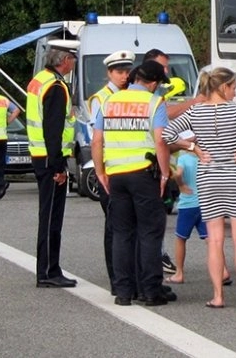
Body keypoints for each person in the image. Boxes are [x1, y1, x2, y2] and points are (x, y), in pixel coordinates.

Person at [163, 67, 236, 309]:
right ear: (223, 87)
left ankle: (217, 296)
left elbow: (166, 133)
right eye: (234, 87)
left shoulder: (195, 112)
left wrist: (194, 148)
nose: (235, 93)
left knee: (214, 240)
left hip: (208, 178)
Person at [92, 60, 172, 306]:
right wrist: (166, 173)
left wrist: (101, 172)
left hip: (116, 175)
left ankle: (123, 292)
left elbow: (96, 141)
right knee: (149, 232)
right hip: (143, 173)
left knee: (122, 233)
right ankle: (150, 291)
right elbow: (160, 141)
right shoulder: (154, 102)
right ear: (154, 83)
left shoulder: (109, 101)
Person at [27, 40, 79, 289]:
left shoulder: (40, 79)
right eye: (73, 58)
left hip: (40, 155)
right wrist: (59, 166)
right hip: (50, 159)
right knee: (50, 218)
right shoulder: (56, 87)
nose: (74, 63)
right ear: (64, 60)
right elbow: (53, 129)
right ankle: (48, 271)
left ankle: (49, 269)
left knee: (48, 216)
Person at [143, 48, 201, 274]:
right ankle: (151, 269)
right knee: (151, 223)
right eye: (162, 66)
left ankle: (153, 261)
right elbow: (164, 126)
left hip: (147, 167)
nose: (167, 71)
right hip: (149, 168)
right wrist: (196, 102)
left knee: (153, 221)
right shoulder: (150, 98)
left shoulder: (154, 94)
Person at [87, 49, 135, 294]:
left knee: (128, 228)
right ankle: (117, 280)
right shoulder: (101, 99)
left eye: (127, 71)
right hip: (110, 168)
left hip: (130, 168)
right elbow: (97, 139)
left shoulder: (133, 95)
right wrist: (100, 170)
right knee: (115, 228)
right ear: (109, 72)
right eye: (119, 71)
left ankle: (129, 278)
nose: (124, 76)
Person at [164, 148, 232, 286]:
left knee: (181, 238)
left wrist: (181, 184)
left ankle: (179, 273)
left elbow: (178, 174)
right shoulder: (207, 158)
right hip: (205, 204)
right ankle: (223, 271)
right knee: (211, 240)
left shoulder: (183, 159)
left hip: (187, 204)